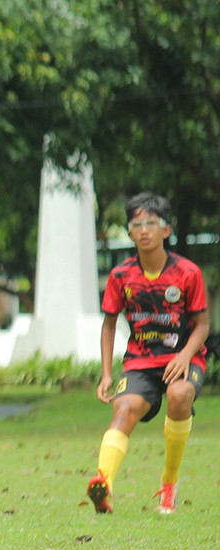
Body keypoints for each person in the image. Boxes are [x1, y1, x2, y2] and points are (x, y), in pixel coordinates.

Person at [87, 192, 210, 515]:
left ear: (166, 230)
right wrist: (107, 373)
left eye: (151, 224)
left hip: (183, 358)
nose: (144, 230)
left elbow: (202, 325)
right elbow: (109, 324)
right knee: (123, 409)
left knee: (180, 395)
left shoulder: (188, 273)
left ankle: (169, 484)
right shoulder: (120, 276)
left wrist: (184, 355)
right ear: (128, 232)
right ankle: (104, 486)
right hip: (140, 362)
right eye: (136, 224)